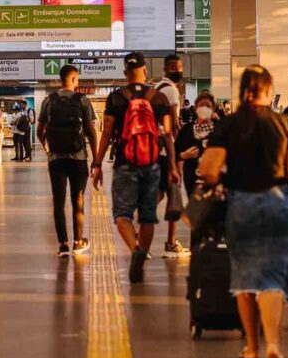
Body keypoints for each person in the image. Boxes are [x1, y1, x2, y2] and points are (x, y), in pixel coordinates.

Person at [199, 65, 288, 358]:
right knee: (273, 276)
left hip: (242, 205)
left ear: (243, 89)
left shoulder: (227, 126)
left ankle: (253, 347)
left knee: (244, 276)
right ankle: (275, 346)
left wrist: (225, 175)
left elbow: (209, 171)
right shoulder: (286, 124)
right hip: (281, 204)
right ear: (269, 89)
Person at [91, 51, 179, 283]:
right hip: (151, 163)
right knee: (148, 216)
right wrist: (172, 166)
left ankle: (136, 250)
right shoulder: (159, 98)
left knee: (122, 215)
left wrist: (97, 163)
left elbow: (107, 133)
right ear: (145, 71)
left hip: (124, 163)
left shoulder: (116, 98)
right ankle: (142, 251)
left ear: (125, 73)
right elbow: (168, 135)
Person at [37, 64, 99, 257]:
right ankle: (78, 241)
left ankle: (63, 245)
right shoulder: (82, 100)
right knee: (77, 200)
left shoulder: (49, 101)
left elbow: (40, 131)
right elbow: (90, 131)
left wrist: (48, 149)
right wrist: (96, 159)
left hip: (56, 159)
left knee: (58, 201)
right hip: (78, 158)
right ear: (73, 80)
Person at [155, 53, 190, 258]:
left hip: (156, 149)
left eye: (179, 66)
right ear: (166, 69)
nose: (178, 70)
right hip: (169, 150)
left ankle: (144, 231)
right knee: (173, 194)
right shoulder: (172, 91)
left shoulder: (157, 88)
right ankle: (170, 242)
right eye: (174, 67)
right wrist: (179, 155)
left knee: (161, 193)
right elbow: (175, 125)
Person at [174, 92, 219, 246]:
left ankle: (210, 249)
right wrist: (183, 155)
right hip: (193, 179)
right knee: (197, 215)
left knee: (211, 215)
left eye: (208, 106)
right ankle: (197, 253)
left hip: (215, 180)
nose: (204, 109)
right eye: (201, 105)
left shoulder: (220, 129)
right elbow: (175, 153)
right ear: (195, 108)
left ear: (213, 109)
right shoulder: (187, 130)